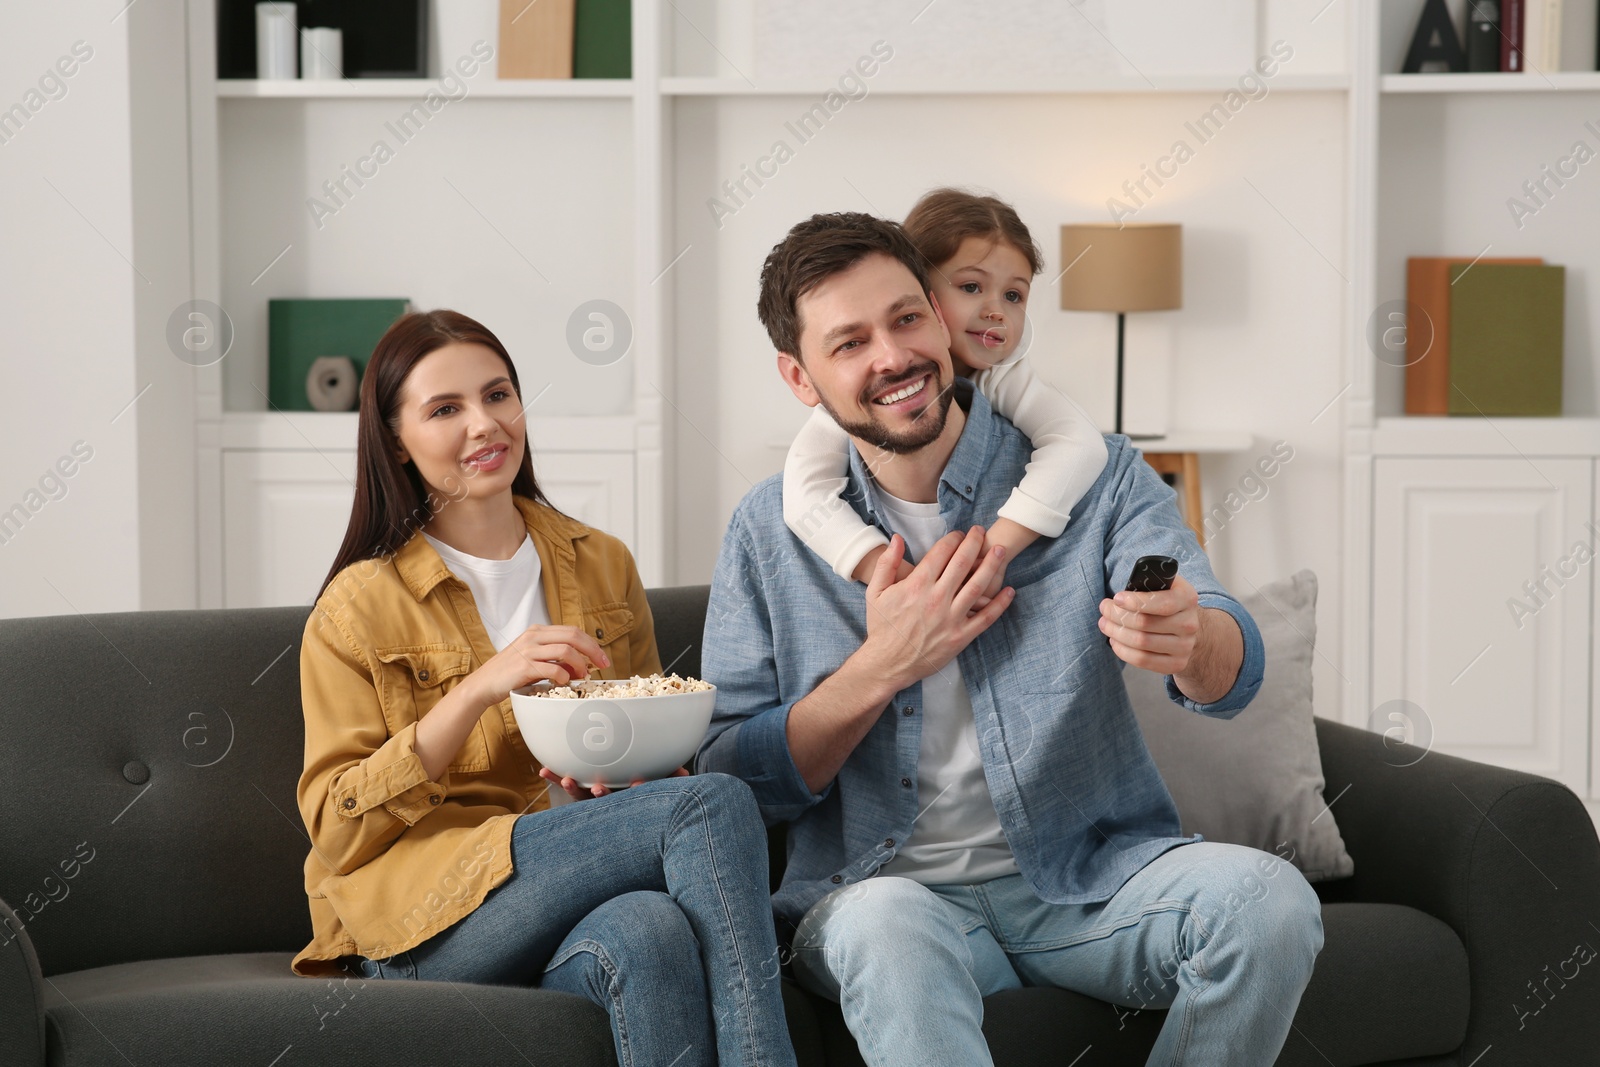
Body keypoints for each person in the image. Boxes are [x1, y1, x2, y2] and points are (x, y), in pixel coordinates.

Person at [697, 214, 1323, 1066]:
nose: (892, 356)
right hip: (879, 895)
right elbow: (733, 779)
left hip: (1088, 886)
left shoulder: (1095, 474)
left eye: (907, 319)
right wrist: (884, 663)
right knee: (889, 924)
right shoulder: (768, 530)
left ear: (940, 318)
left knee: (1269, 902)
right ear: (800, 378)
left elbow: (1228, 663)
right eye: (849, 342)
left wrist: (1193, 637)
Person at [293, 309, 798, 1067]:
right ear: (396, 440)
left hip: (573, 887)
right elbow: (336, 824)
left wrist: (622, 773)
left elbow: (648, 765)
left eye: (499, 395)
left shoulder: (601, 562)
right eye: (445, 409)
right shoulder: (357, 606)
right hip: (421, 915)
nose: (484, 424)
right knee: (715, 801)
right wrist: (477, 690)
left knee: (651, 930)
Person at [783, 188, 1105, 590]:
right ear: (924, 293)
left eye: (1013, 295)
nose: (996, 311)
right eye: (971, 287)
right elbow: (804, 498)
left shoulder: (1005, 375)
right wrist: (900, 580)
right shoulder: (856, 401)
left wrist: (991, 553)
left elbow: (1079, 445)